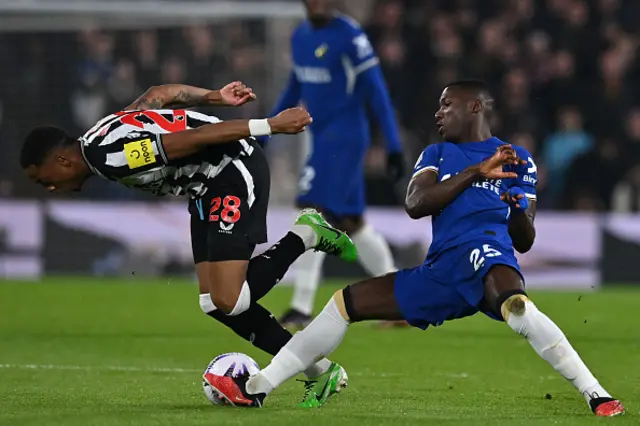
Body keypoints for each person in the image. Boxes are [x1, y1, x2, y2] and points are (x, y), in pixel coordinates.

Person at [206, 80, 625, 417]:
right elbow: (415, 204)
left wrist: (517, 210)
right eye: (439, 105)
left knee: (517, 306)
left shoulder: (518, 159)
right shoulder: (438, 154)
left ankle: (596, 394)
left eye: (447, 105)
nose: (438, 113)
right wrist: (476, 172)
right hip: (440, 271)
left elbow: (525, 238)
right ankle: (258, 388)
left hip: (487, 256)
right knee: (344, 303)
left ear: (475, 108)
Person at [20, 82, 351, 403]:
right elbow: (158, 95)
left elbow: (194, 138)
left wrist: (269, 125)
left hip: (232, 170)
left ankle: (306, 234)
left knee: (230, 300)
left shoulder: (112, 157)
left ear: (62, 162)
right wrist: (213, 97)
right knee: (213, 302)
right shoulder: (98, 135)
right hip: (204, 188)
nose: (48, 187)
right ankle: (319, 371)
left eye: (43, 179)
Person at [262, 0, 405, 328]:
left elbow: (377, 90)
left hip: (346, 136)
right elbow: (294, 88)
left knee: (313, 211)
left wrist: (394, 146)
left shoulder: (349, 36)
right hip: (321, 136)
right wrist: (267, 128)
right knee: (351, 223)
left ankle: (300, 306)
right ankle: (401, 302)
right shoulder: (300, 37)